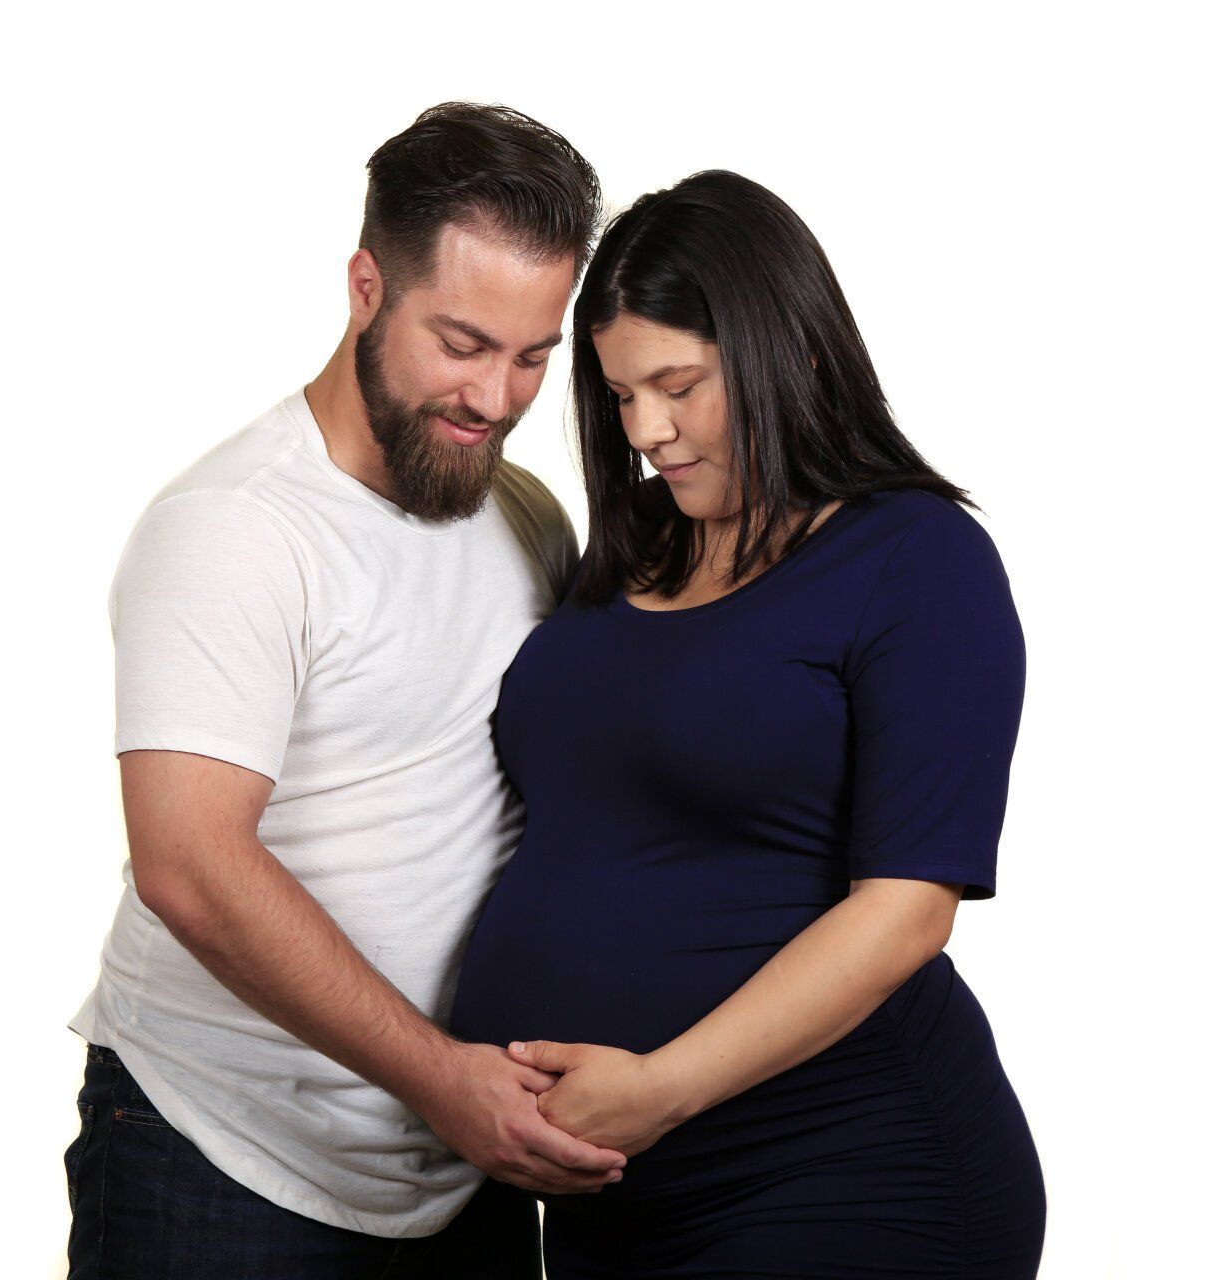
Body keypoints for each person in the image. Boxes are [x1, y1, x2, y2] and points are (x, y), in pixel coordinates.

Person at [449, 171, 1047, 1279]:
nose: (647, 430)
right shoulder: (635, 537)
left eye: (678, 386)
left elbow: (907, 912)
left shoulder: (919, 560)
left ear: (794, 352)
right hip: (611, 1197)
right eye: (621, 394)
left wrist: (660, 1088)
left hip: (846, 1167)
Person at [64, 103, 620, 1278]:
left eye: (533, 356)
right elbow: (189, 866)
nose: (496, 398)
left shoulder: (525, 516)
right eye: (462, 343)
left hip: (461, 1161)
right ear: (367, 288)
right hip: (220, 1160)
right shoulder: (234, 529)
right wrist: (443, 1077)